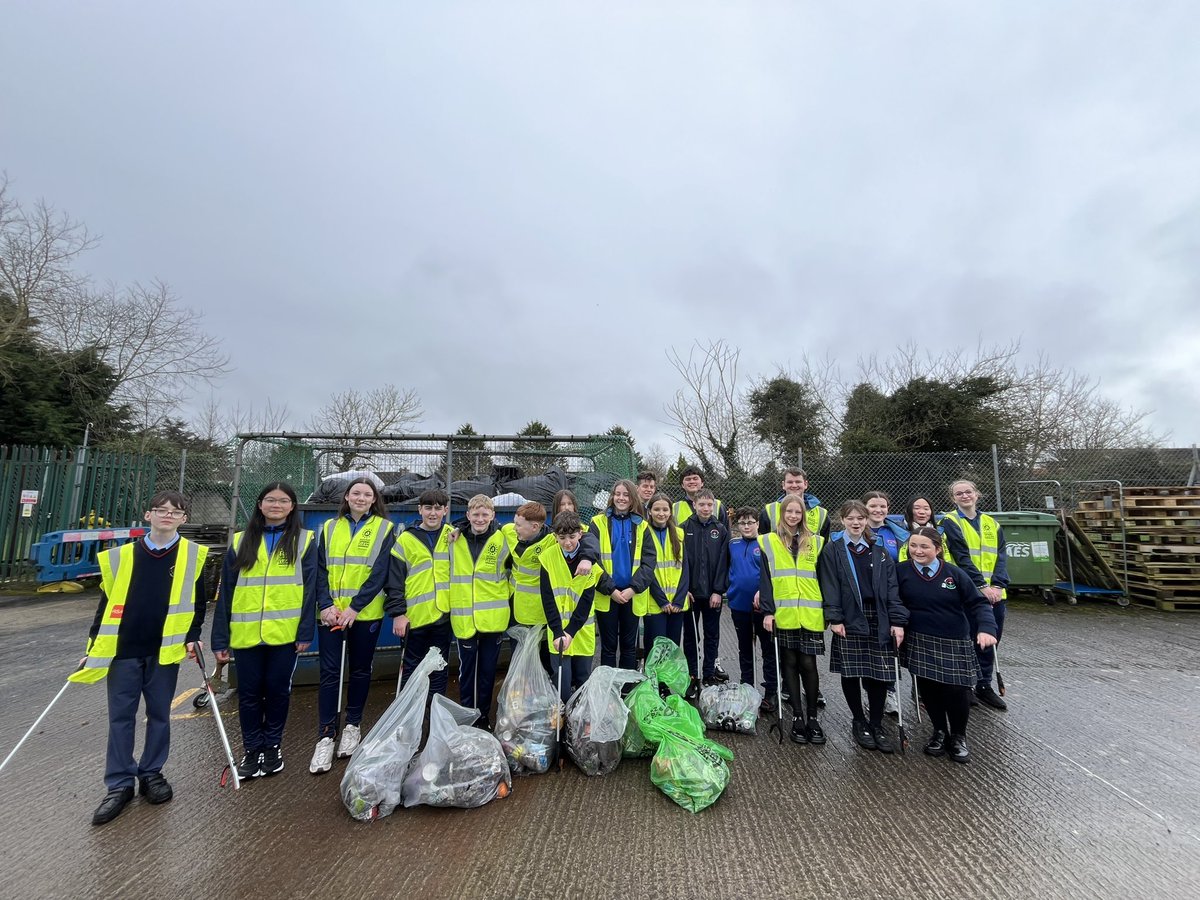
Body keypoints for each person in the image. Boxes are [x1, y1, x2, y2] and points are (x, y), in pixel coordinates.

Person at [74, 491, 208, 826]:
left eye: (175, 511)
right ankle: (119, 784)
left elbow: (198, 603)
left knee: (159, 714)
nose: (167, 515)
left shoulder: (193, 556)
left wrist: (192, 637)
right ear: (147, 516)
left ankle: (152, 773)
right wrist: (92, 646)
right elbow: (105, 606)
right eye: (160, 510)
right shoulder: (121, 557)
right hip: (123, 651)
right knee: (121, 717)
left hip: (164, 651)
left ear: (184, 518)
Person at [212, 482, 317, 781]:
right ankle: (250, 749)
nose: (276, 505)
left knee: (277, 692)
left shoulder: (304, 541)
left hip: (284, 635)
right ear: (259, 505)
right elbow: (227, 593)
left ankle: (272, 747)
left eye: (283, 500)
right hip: (245, 635)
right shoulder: (240, 542)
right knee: (248, 695)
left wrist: (305, 632)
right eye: (270, 500)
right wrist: (220, 638)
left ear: (292, 506)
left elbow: (310, 591)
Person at [310, 477, 396, 774]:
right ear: (346, 497)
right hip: (331, 615)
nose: (361, 498)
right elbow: (319, 570)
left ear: (375, 500)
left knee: (360, 669)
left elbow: (380, 572)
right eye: (356, 493)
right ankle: (325, 735)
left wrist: (355, 607)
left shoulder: (385, 529)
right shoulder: (329, 528)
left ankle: (352, 724)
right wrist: (326, 604)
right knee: (330, 672)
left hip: (364, 615)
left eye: (367, 494)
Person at [897, 526, 998, 763]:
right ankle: (939, 731)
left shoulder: (953, 574)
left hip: (953, 639)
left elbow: (978, 603)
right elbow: (894, 601)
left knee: (957, 690)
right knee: (929, 689)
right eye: (913, 546)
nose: (917, 551)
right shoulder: (901, 571)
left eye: (924, 546)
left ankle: (959, 736)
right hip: (920, 639)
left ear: (938, 549)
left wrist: (986, 628)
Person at [818, 500, 907, 753]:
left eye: (860, 518)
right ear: (842, 520)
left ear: (867, 520)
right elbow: (830, 585)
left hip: (878, 616)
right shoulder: (833, 550)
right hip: (848, 617)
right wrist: (835, 618)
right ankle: (859, 721)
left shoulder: (878, 550)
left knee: (879, 674)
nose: (856, 523)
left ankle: (876, 723)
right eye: (850, 518)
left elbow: (892, 588)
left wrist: (897, 620)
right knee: (851, 672)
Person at [759, 494, 827, 745]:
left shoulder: (818, 542)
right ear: (781, 514)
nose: (793, 516)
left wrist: (828, 610)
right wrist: (767, 611)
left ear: (803, 515)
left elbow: (825, 578)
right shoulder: (767, 541)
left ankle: (813, 718)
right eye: (789, 512)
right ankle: (797, 717)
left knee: (808, 665)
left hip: (810, 613)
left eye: (798, 512)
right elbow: (765, 579)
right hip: (783, 612)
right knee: (788, 663)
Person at [941, 480, 1010, 711]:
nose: (964, 496)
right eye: (958, 493)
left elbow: (1001, 556)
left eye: (968, 491)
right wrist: (981, 586)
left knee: (991, 638)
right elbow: (961, 557)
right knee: (968, 638)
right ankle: (967, 685)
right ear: (953, 498)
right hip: (969, 591)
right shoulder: (950, 522)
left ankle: (984, 684)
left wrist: (998, 586)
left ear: (977, 494)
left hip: (996, 593)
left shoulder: (992, 523)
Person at [448, 495, 511, 729]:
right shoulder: (454, 538)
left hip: (493, 619)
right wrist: (459, 527)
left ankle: (483, 717)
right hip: (464, 617)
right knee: (466, 674)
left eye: (485, 514)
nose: (480, 519)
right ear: (467, 516)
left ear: (493, 515)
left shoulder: (503, 538)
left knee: (487, 672)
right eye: (475, 514)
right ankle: (467, 717)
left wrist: (505, 593)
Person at [385, 489, 453, 701]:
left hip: (444, 615)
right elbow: (394, 581)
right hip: (413, 617)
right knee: (411, 669)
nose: (433, 513)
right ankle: (408, 721)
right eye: (428, 508)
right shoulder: (406, 539)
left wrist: (464, 526)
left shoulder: (453, 535)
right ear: (420, 509)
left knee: (439, 668)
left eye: (438, 508)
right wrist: (398, 613)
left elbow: (483, 528)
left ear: (445, 510)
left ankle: (433, 719)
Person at [592, 479, 656, 670]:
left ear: (632, 498)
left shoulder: (642, 526)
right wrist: (610, 588)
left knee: (629, 648)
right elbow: (593, 559)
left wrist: (632, 589)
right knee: (608, 647)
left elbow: (648, 562)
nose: (621, 498)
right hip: (607, 594)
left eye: (626, 494)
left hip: (631, 595)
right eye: (617, 494)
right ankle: (609, 690)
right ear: (612, 496)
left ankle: (627, 690)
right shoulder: (597, 522)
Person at [540, 511, 599, 701]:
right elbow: (548, 599)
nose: (567, 542)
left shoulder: (589, 562)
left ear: (580, 534)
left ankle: (579, 722)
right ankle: (563, 722)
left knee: (583, 679)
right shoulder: (548, 558)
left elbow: (586, 601)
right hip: (557, 633)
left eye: (572, 537)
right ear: (554, 536)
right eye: (562, 537)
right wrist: (558, 632)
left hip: (581, 631)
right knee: (562, 682)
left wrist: (571, 631)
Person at [726, 507, 777, 715]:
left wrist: (763, 593)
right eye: (742, 523)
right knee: (745, 648)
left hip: (761, 607)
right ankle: (746, 687)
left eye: (750, 522)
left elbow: (773, 574)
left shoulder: (767, 543)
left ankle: (771, 690)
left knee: (768, 649)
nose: (746, 526)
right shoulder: (732, 544)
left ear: (758, 523)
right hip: (739, 604)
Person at [682, 488, 730, 690]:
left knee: (712, 635)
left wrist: (718, 591)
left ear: (714, 506)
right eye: (701, 504)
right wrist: (684, 589)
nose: (705, 508)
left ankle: (709, 674)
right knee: (692, 637)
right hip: (691, 595)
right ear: (694, 505)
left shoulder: (720, 530)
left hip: (713, 596)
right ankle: (693, 675)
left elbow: (723, 562)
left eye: (709, 504)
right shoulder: (683, 528)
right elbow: (680, 562)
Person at [641, 493, 690, 647]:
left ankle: (670, 673)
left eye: (665, 509)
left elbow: (685, 569)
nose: (661, 513)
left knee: (672, 646)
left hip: (677, 603)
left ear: (670, 512)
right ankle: (652, 673)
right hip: (655, 602)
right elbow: (645, 570)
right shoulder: (643, 532)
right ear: (649, 511)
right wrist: (662, 601)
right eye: (656, 509)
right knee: (656, 647)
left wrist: (679, 600)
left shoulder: (679, 533)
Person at [760, 467, 830, 539]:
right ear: (783, 485)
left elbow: (825, 545)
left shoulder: (822, 514)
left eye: (798, 482)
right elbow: (762, 542)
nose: (794, 485)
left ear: (805, 484)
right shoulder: (768, 511)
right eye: (790, 482)